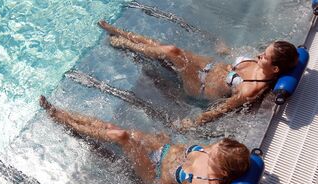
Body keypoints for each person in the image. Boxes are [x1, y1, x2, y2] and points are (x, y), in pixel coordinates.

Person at [39, 95, 250, 184]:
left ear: (222, 172)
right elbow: (193, 148)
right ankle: (63, 114)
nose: (209, 150)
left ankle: (62, 120)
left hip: (154, 172)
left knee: (120, 137)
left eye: (213, 153)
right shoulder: (219, 151)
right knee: (113, 128)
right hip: (163, 147)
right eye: (214, 146)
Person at [98, 20, 299, 129]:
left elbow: (223, 109)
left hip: (200, 85)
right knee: (167, 48)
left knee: (171, 52)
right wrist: (227, 52)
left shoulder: (250, 89)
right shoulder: (262, 64)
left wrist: (195, 122)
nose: (259, 55)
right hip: (209, 66)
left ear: (275, 70)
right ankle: (121, 33)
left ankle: (125, 43)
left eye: (264, 56)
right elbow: (237, 64)